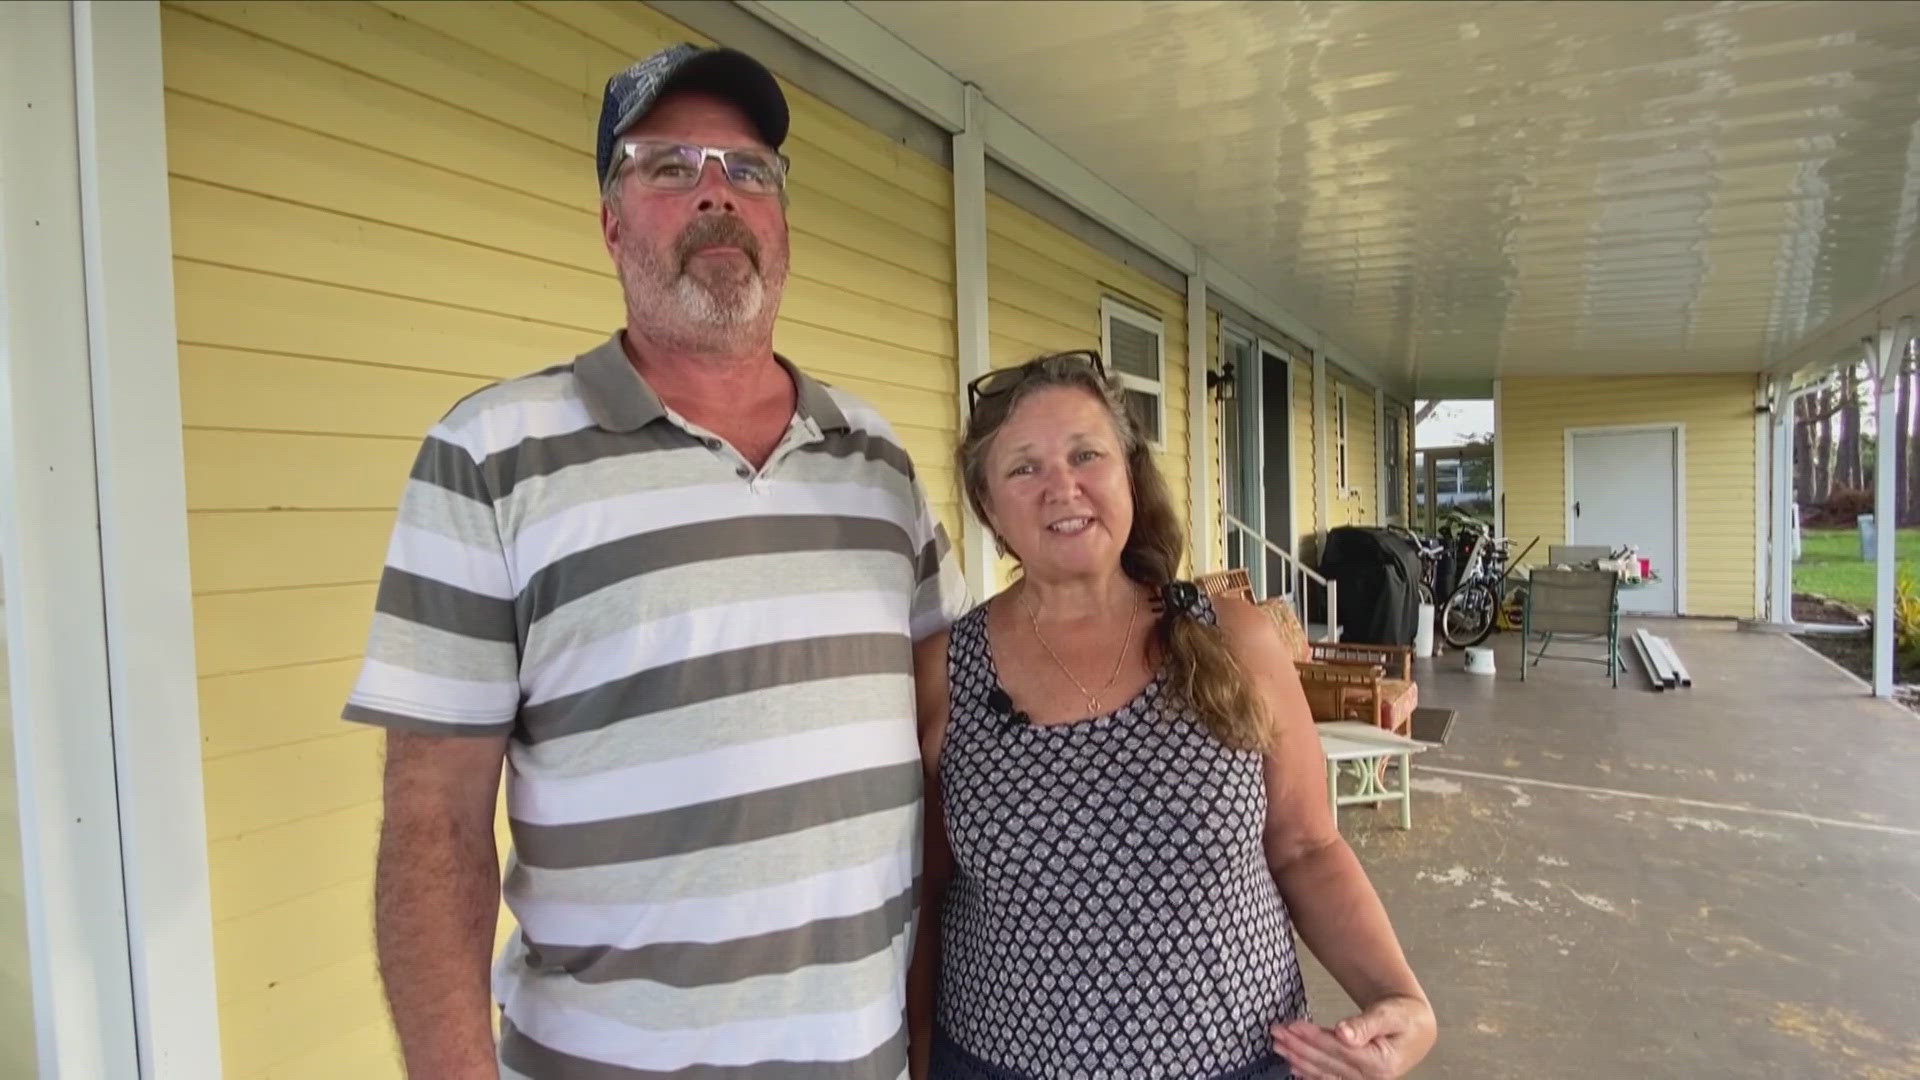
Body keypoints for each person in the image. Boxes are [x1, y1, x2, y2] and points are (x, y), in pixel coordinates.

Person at [343, 43, 967, 1079]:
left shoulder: (878, 464)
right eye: (669, 167)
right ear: (611, 223)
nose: (717, 195)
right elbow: (433, 826)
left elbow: (947, 760)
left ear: (781, 224)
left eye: (749, 170)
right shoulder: (493, 457)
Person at [906, 352, 1435, 1080]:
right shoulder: (943, 671)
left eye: (1086, 454)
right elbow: (926, 892)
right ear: (989, 506)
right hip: (1002, 1063)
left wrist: (1399, 996)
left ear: (1128, 473)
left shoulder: (1235, 636)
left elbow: (1308, 848)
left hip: (1238, 1061)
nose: (1063, 485)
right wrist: (919, 1051)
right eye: (1023, 467)